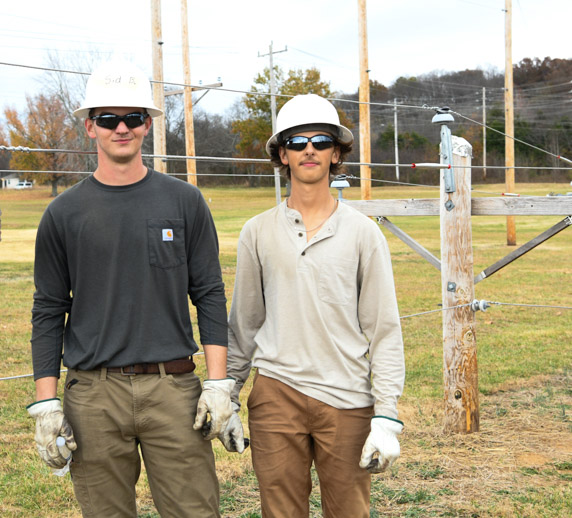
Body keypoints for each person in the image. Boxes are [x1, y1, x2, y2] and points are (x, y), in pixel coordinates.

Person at [26, 60, 243, 518]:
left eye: (132, 118)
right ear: (90, 127)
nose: (120, 128)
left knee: (195, 511)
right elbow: (48, 310)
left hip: (175, 390)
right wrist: (46, 404)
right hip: (93, 395)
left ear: (148, 125)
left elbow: (209, 291)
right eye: (108, 119)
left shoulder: (184, 201)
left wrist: (220, 385)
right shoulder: (63, 214)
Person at [227, 94, 405, 518]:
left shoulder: (364, 234)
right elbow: (244, 323)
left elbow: (383, 329)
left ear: (336, 153)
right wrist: (228, 395)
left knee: (349, 511)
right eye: (297, 140)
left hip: (347, 398)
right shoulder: (257, 232)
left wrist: (387, 415)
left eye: (321, 140)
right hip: (276, 394)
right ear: (282, 154)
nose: (310, 148)